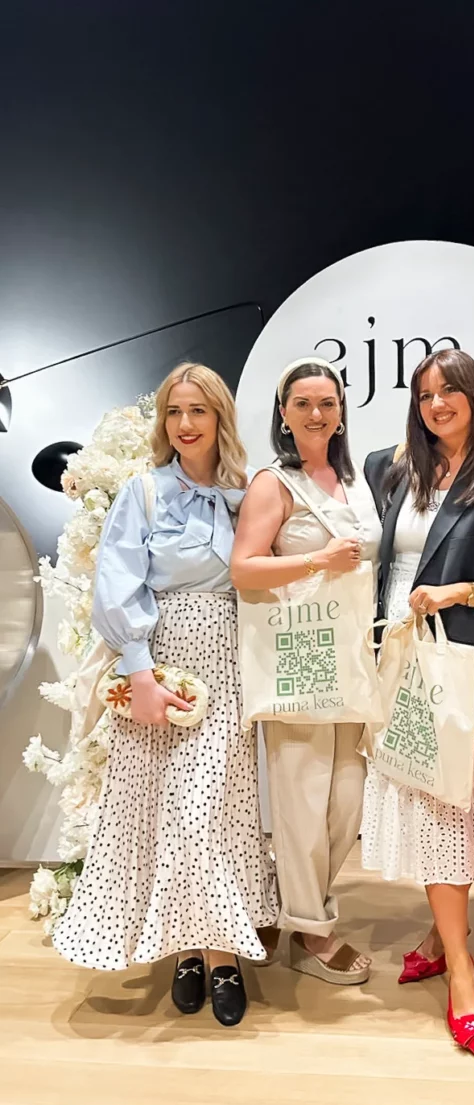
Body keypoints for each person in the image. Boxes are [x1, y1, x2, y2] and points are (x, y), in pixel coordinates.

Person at [54, 363, 278, 1028]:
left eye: (198, 411)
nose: (185, 424)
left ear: (220, 418)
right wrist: (140, 674)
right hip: (161, 666)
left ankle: (221, 957)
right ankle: (184, 952)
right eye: (174, 412)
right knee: (164, 812)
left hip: (229, 666)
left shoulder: (247, 492)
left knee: (212, 814)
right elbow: (117, 583)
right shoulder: (144, 492)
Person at [362, 349, 474, 1055]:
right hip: (401, 661)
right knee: (432, 804)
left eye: (449, 391)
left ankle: (458, 966)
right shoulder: (391, 469)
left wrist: (458, 592)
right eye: (425, 394)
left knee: (453, 811)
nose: (437, 405)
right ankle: (448, 943)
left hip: (466, 666)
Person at [230, 357, 381, 985]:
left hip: (353, 660)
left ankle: (284, 905)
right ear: (284, 414)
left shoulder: (356, 479)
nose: (316, 413)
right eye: (303, 403)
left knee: (347, 801)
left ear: (341, 412)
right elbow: (243, 568)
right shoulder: (274, 483)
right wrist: (318, 560)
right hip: (299, 659)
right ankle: (313, 929)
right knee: (301, 802)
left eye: (327, 402)